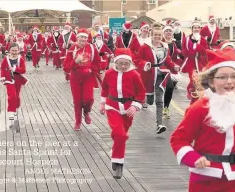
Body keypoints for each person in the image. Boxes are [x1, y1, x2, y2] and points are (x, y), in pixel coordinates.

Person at [170, 49, 235, 192]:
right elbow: (179, 138)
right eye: (222, 77)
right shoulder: (199, 109)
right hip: (204, 179)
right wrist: (191, 157)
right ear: (211, 82)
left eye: (234, 76)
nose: (229, 81)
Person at [99, 48, 146, 179]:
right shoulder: (109, 73)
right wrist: (102, 103)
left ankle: (115, 150)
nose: (124, 66)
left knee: (120, 134)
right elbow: (104, 89)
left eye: (126, 63)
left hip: (128, 108)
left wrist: (135, 106)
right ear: (116, 62)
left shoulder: (134, 75)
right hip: (112, 106)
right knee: (121, 134)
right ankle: (118, 163)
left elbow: (141, 93)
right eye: (121, 63)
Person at [135, 23, 180, 134]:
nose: (158, 37)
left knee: (159, 100)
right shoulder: (145, 47)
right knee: (150, 101)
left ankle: (159, 124)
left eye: (159, 35)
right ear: (152, 34)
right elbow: (138, 59)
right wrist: (145, 64)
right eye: (155, 35)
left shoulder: (165, 47)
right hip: (149, 75)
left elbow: (167, 60)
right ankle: (147, 97)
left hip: (161, 74)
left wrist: (174, 66)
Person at [63, 28, 100, 130]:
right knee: (77, 101)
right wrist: (75, 61)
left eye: (85, 37)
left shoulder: (92, 48)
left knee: (88, 99)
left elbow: (97, 63)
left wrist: (91, 70)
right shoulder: (72, 49)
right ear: (77, 38)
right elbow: (65, 67)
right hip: (75, 78)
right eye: (81, 37)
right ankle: (78, 122)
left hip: (88, 78)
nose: (83, 39)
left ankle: (87, 111)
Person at [0, 43, 28, 128]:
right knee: (12, 96)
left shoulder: (21, 59)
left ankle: (17, 109)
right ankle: (11, 115)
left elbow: (23, 70)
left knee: (17, 96)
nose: (14, 52)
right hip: (9, 80)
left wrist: (15, 69)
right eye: (12, 50)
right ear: (9, 50)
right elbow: (2, 68)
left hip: (18, 80)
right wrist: (3, 77)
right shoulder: (6, 59)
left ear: (18, 51)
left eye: (16, 50)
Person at [181, 20, 208, 105]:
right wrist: (192, 52)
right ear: (192, 29)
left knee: (199, 80)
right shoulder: (187, 38)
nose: (196, 29)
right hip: (190, 62)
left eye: (198, 28)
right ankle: (191, 93)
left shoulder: (203, 39)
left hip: (199, 62)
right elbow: (184, 50)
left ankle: (196, 98)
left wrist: (197, 46)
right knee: (193, 78)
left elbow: (205, 51)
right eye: (194, 27)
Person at [162, 24, 182, 119]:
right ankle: (163, 107)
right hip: (162, 68)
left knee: (170, 90)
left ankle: (166, 107)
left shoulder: (176, 43)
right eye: (166, 31)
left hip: (173, 68)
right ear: (163, 33)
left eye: (170, 31)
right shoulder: (160, 43)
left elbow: (182, 55)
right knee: (168, 87)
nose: (168, 32)